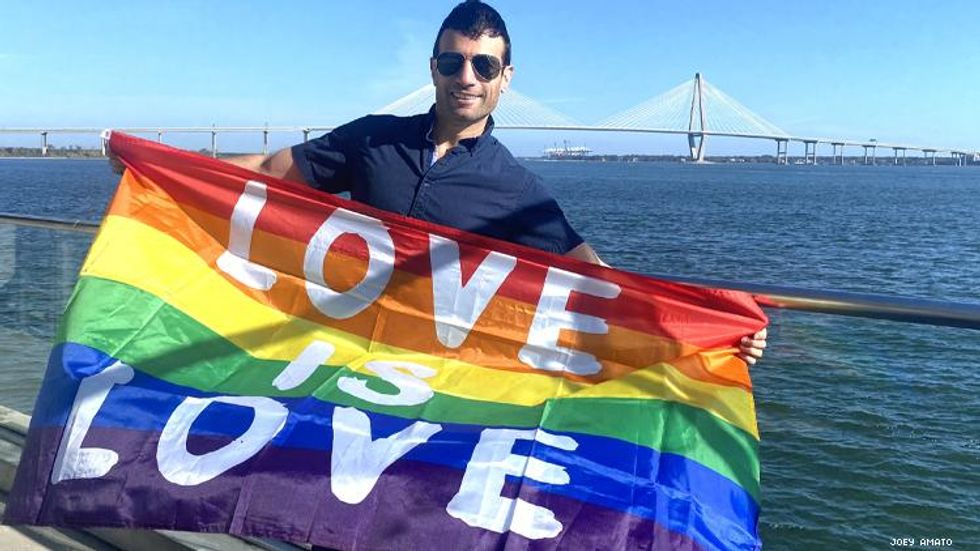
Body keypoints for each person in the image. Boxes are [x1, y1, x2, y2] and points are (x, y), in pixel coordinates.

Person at [111, 0, 766, 363]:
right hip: (334, 355)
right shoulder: (372, 138)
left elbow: (599, 281)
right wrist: (160, 169)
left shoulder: (519, 190)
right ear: (434, 66)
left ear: (507, 77)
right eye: (454, 60)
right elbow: (265, 174)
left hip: (430, 379)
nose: (468, 75)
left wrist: (709, 324)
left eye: (485, 64)